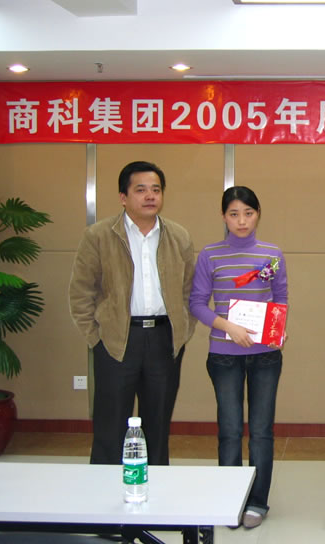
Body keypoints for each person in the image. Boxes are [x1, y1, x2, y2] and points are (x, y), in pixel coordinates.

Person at [69, 161, 196, 466]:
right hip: (116, 341)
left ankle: (155, 487)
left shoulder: (178, 236)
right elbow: (81, 292)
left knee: (158, 424)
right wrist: (96, 339)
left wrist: (181, 332)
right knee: (110, 425)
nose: (150, 196)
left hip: (164, 340)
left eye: (156, 190)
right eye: (141, 190)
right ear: (123, 197)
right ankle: (104, 490)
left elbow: (190, 291)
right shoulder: (99, 235)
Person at [189, 186, 287, 530]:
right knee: (230, 430)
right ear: (223, 217)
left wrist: (278, 328)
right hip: (224, 356)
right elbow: (197, 303)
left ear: (258, 214)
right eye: (234, 214)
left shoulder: (272, 253)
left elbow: (280, 296)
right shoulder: (210, 255)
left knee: (261, 431)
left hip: (265, 355)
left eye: (248, 213)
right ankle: (229, 499)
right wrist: (227, 326)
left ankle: (257, 502)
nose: (241, 221)